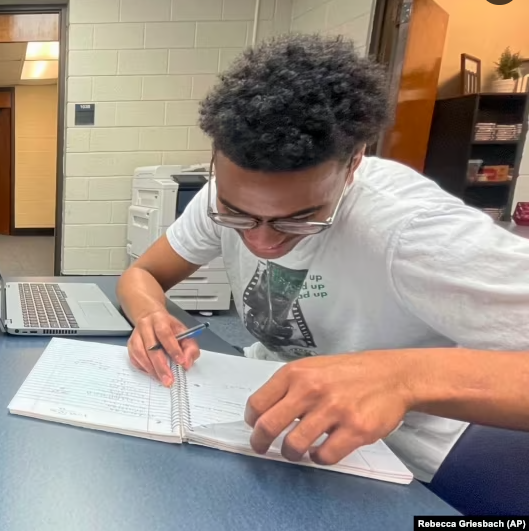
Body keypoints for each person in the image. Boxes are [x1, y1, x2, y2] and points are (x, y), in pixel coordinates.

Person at [116, 33, 529, 483]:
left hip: (401, 459)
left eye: (298, 218)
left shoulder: (415, 229)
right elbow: (144, 273)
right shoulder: (221, 196)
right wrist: (151, 315)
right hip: (273, 417)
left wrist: (405, 378)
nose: (262, 241)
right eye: (239, 215)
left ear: (354, 163)